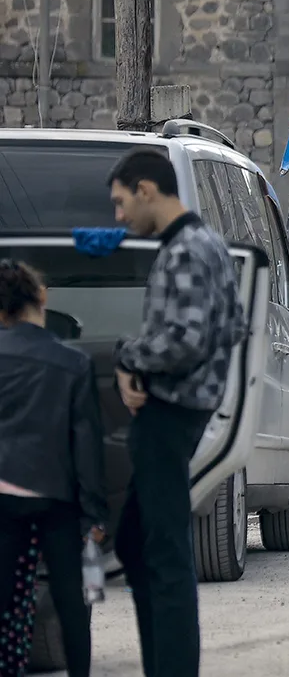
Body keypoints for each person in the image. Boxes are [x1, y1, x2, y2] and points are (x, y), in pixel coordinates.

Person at [107, 150, 245, 677]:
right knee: (138, 547)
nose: (119, 217)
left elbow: (185, 341)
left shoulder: (186, 249)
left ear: (146, 189)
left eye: (121, 203)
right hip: (183, 409)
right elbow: (229, 327)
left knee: (164, 556)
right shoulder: (206, 244)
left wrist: (128, 356)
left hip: (169, 416)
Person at [0, 260, 106, 677]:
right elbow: (87, 446)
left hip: (3, 499)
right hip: (56, 499)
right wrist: (94, 513)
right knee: (69, 600)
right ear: (42, 298)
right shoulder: (72, 363)